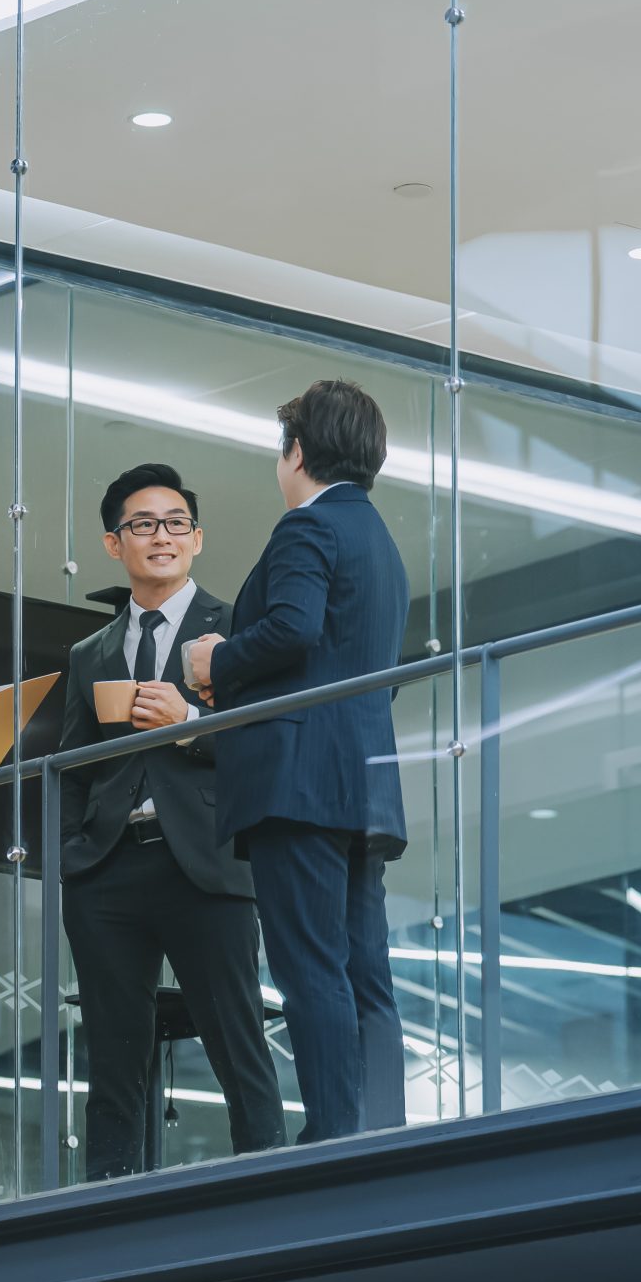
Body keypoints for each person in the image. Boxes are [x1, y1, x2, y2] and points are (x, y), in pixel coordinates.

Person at [185, 380, 409, 1143]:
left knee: (310, 965)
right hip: (365, 785)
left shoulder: (305, 530)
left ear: (299, 452)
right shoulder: (381, 542)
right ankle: (378, 1131)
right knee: (363, 973)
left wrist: (217, 659)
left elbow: (291, 628)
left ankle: (335, 1139)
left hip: (298, 784)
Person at [55, 463, 286, 1180]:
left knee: (237, 1044)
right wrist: (71, 851)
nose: (161, 536)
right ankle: (105, 1216)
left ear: (197, 538)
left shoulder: (237, 628)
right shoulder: (88, 653)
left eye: (175, 523)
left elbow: (269, 739)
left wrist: (190, 722)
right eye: (143, 524)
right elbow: (68, 763)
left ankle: (269, 1198)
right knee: (113, 1060)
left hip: (208, 862)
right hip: (108, 870)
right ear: (112, 544)